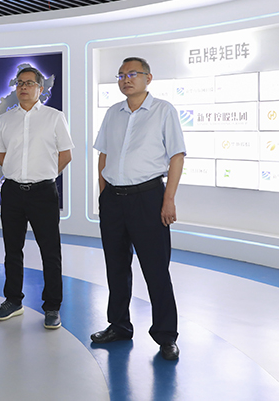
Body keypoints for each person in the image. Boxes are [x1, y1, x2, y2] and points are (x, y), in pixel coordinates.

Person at [92, 57, 186, 361]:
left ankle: (166, 335)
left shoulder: (163, 111)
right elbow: (103, 155)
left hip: (148, 198)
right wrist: (103, 194)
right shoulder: (113, 113)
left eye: (132, 74)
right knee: (116, 266)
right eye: (121, 75)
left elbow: (176, 156)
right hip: (113, 199)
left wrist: (168, 199)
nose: (126, 79)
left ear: (148, 78)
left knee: (156, 269)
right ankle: (119, 325)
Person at [0, 67, 73, 329]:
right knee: (12, 249)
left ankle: (52, 306)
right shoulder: (5, 120)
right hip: (12, 191)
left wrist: (44, 174)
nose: (23, 87)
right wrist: (19, 173)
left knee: (50, 251)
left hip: (43, 192)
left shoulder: (54, 117)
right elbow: (1, 154)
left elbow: (66, 154)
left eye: (29, 83)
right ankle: (13, 300)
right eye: (19, 83)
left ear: (40, 88)